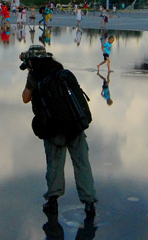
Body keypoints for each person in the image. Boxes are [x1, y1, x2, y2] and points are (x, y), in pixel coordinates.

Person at [20, 45, 97, 218]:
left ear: (32, 62)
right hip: (75, 124)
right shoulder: (61, 71)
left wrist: (30, 77)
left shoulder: (35, 76)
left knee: (54, 164)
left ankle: (53, 200)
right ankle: (89, 202)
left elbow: (25, 98)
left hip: (54, 129)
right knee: (82, 163)